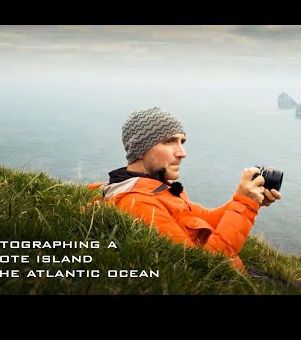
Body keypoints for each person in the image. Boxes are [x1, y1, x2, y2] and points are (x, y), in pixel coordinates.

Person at [87, 106, 281, 271]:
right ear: (140, 149)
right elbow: (203, 269)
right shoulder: (138, 203)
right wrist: (244, 204)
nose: (182, 153)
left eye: (182, 142)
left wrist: (251, 200)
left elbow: (208, 220)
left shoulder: (160, 188)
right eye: (169, 141)